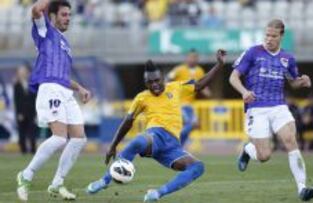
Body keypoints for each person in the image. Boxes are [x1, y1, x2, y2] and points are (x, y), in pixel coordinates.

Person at [87, 49, 226, 202]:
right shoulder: (142, 98)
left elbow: (199, 85)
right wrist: (113, 145)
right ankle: (105, 180)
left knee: (198, 167)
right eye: (149, 82)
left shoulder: (176, 87)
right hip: (155, 136)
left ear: (162, 78)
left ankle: (157, 194)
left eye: (157, 80)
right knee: (138, 142)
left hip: (173, 146)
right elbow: (127, 122)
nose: (154, 85)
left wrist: (219, 65)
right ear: (145, 83)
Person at [229, 19, 313, 201]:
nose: (269, 39)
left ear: (281, 36)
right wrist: (244, 92)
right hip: (256, 108)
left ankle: (302, 188)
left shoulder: (287, 58)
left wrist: (303, 82)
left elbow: (293, 82)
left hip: (278, 106)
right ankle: (248, 150)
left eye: (273, 36)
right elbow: (233, 77)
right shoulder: (253, 52)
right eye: (267, 35)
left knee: (291, 141)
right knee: (264, 156)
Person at [16, 0, 91, 201]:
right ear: (53, 16)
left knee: (79, 138)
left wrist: (80, 88)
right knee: (59, 138)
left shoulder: (65, 43)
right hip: (49, 89)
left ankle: (57, 183)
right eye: (64, 14)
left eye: (69, 15)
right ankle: (26, 175)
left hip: (65, 91)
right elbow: (35, 9)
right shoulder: (45, 31)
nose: (67, 18)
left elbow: (63, 77)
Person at [167, 49, 211, 146]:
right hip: (179, 104)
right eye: (191, 57)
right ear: (186, 58)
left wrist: (206, 91)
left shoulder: (199, 71)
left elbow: (201, 84)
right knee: (191, 124)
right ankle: (174, 145)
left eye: (195, 57)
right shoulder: (179, 69)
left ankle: (178, 146)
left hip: (190, 105)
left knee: (192, 125)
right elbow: (168, 79)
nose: (193, 59)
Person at [14, 65, 37, 154]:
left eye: (24, 72)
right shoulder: (16, 85)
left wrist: (36, 113)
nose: (22, 74)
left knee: (32, 134)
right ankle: (23, 151)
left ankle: (33, 151)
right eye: (20, 72)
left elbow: (34, 99)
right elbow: (17, 100)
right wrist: (19, 113)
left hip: (31, 113)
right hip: (21, 114)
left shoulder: (32, 84)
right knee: (21, 134)